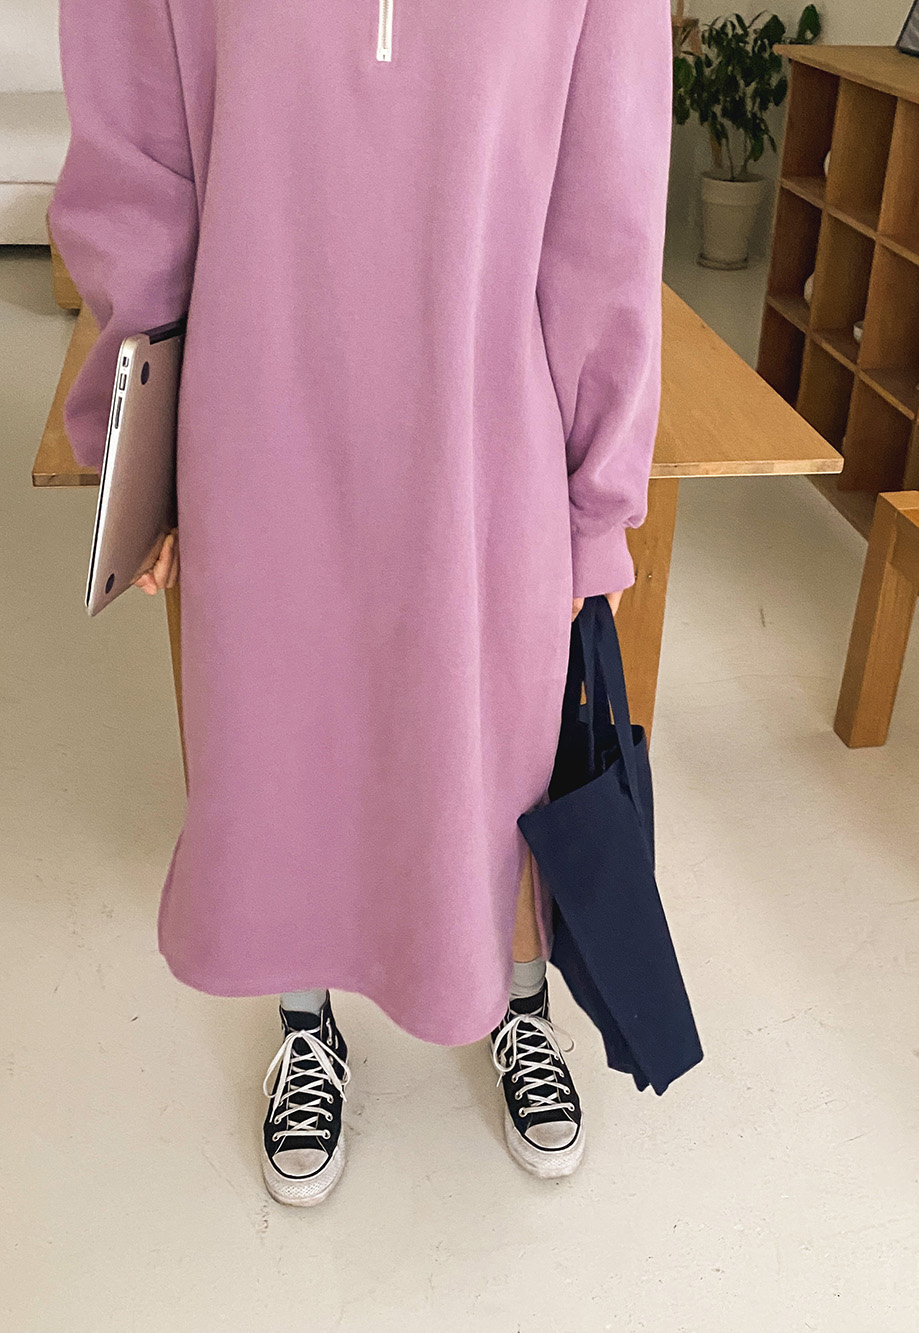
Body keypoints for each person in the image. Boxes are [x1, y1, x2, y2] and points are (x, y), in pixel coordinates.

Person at [49, 0, 672, 1206]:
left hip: (481, 428)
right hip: (260, 409)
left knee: (497, 748)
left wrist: (596, 493)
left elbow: (606, 207)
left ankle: (519, 997)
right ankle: (306, 1017)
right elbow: (137, 162)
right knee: (284, 741)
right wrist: (142, 452)